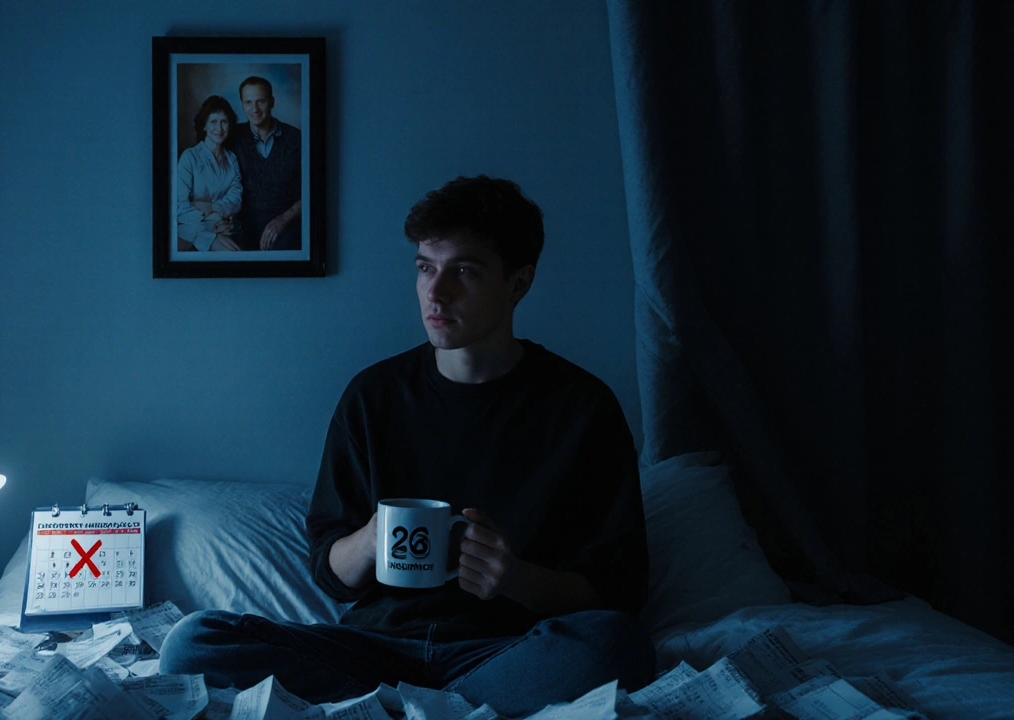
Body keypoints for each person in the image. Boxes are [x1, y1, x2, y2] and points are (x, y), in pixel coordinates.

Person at [160, 176, 654, 718]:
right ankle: (435, 708)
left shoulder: (582, 408)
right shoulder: (373, 397)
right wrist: (370, 540)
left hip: (505, 651)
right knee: (193, 642)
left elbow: (619, 589)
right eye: (425, 267)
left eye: (463, 271)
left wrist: (516, 579)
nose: (435, 292)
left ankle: (398, 709)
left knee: (618, 644)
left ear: (519, 283)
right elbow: (330, 572)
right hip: (371, 652)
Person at [231, 76, 302, 251]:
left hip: (286, 221)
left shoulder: (297, 139)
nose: (254, 109)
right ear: (241, 104)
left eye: (260, 101)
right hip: (243, 224)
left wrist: (283, 220)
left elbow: (313, 192)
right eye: (248, 102)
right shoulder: (232, 137)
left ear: (272, 102)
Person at [177, 95, 243, 252]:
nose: (219, 128)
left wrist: (213, 206)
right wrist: (214, 219)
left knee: (238, 254)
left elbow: (236, 198)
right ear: (204, 126)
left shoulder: (231, 158)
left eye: (224, 122)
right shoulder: (190, 157)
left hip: (225, 225)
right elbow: (180, 207)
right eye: (213, 122)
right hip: (192, 228)